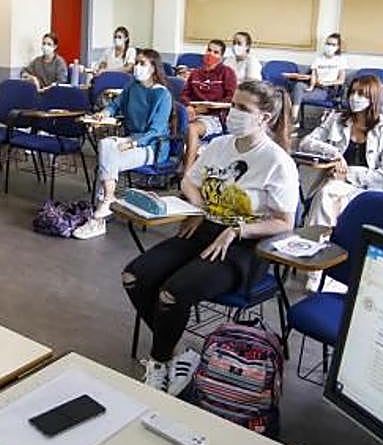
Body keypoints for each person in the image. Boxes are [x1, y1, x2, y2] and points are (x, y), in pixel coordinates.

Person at [122, 80, 296, 395]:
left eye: (244, 109)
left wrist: (238, 229)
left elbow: (284, 222)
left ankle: (159, 363)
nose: (234, 112)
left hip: (243, 248)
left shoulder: (277, 161)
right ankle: (177, 356)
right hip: (203, 229)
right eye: (233, 105)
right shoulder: (219, 145)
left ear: (265, 117)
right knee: (135, 276)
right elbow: (190, 182)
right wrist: (199, 207)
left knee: (172, 294)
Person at [297, 75, 383, 288]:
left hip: (368, 190)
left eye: (361, 94)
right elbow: (306, 142)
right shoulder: (336, 119)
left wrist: (350, 173)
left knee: (329, 194)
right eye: (352, 92)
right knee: (330, 192)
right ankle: (321, 268)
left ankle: (318, 268)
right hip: (334, 184)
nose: (355, 98)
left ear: (374, 98)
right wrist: (333, 152)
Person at [73, 50, 174, 240]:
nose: (137, 66)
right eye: (136, 62)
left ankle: (99, 215)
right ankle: (106, 204)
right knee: (106, 149)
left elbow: (157, 131)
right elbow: (116, 105)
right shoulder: (132, 86)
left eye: (142, 63)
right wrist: (105, 113)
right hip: (131, 140)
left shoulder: (162, 95)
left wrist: (133, 142)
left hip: (152, 147)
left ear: (153, 68)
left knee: (107, 159)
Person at [179, 39, 237, 170]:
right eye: (209, 50)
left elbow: (231, 97)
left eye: (216, 52)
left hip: (215, 117)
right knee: (174, 124)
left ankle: (187, 173)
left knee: (191, 129)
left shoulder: (227, 73)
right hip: (193, 113)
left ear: (221, 57)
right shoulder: (195, 73)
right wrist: (188, 106)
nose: (211, 54)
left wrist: (209, 107)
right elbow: (184, 94)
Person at [292, 33, 347, 121]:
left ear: (338, 47)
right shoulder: (318, 59)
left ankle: (294, 120)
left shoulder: (341, 60)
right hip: (316, 87)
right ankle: (294, 118)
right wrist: (311, 86)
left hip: (327, 90)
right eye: (328, 44)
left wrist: (327, 83)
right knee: (298, 86)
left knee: (295, 95)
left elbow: (341, 80)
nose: (329, 46)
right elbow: (314, 75)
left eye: (333, 44)